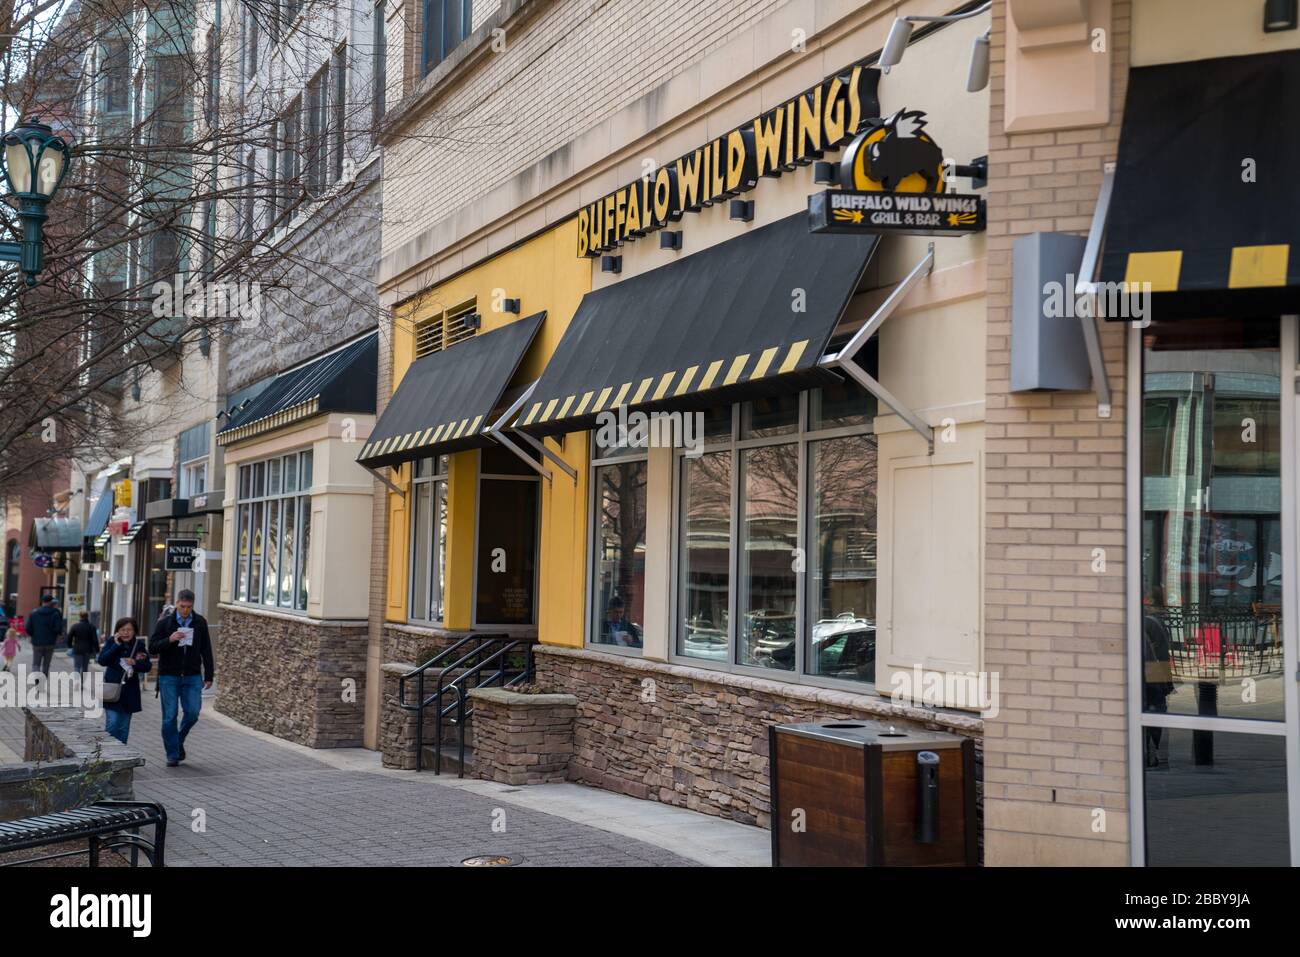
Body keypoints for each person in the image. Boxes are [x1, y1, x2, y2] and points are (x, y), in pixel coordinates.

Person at [148, 589, 214, 767]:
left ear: (193, 605)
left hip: (192, 675)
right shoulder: (165, 623)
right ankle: (173, 754)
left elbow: (206, 649)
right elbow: (152, 647)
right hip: (169, 675)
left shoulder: (199, 622)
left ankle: (177, 740)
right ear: (176, 603)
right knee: (170, 716)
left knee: (192, 713)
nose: (185, 610)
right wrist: (170, 639)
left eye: (189, 607)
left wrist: (209, 675)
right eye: (182, 606)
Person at [98, 617, 150, 745]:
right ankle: (107, 753)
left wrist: (135, 663)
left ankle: (121, 757)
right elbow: (102, 660)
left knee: (124, 727)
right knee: (113, 723)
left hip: (130, 691)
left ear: (134, 631)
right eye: (122, 630)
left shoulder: (139, 645)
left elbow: (147, 666)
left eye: (129, 630)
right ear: (117, 631)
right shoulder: (112, 642)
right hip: (113, 690)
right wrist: (116, 646)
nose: (126, 633)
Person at [26, 594, 65, 678]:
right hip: (50, 642)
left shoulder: (34, 613)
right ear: (51, 602)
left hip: (37, 642)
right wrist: (56, 635)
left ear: (42, 602)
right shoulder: (55, 613)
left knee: (36, 663)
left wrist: (33, 635)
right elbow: (58, 628)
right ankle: (43, 679)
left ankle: (36, 678)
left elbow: (28, 628)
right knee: (46, 664)